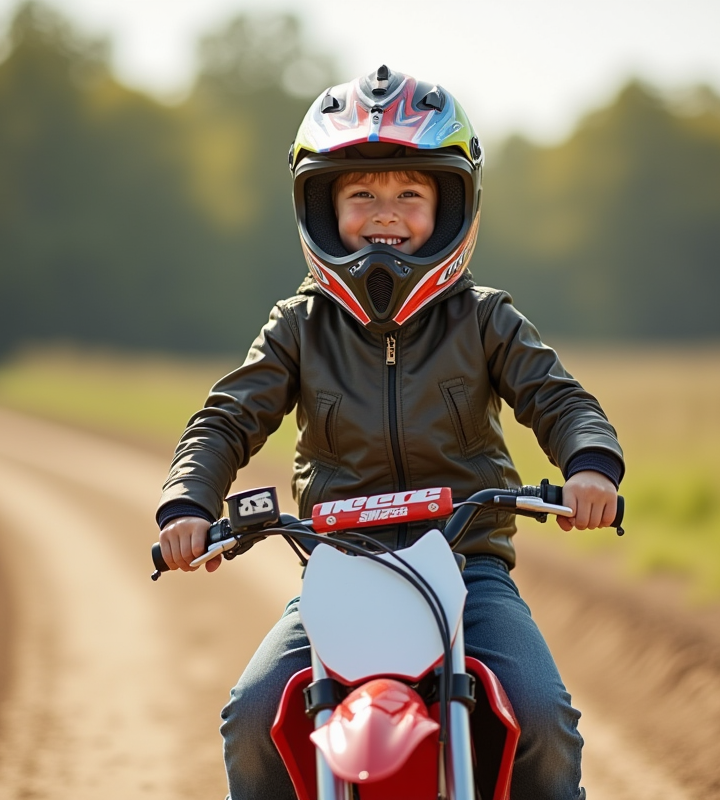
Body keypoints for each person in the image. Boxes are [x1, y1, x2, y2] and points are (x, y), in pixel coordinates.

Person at [156, 66, 624, 800]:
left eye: (410, 194)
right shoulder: (298, 327)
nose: (386, 214)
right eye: (361, 195)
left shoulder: (485, 318)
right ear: (321, 207)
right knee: (251, 719)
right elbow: (227, 417)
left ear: (452, 206)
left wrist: (590, 464)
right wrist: (188, 503)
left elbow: (559, 399)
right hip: (341, 572)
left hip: (466, 569)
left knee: (542, 716)